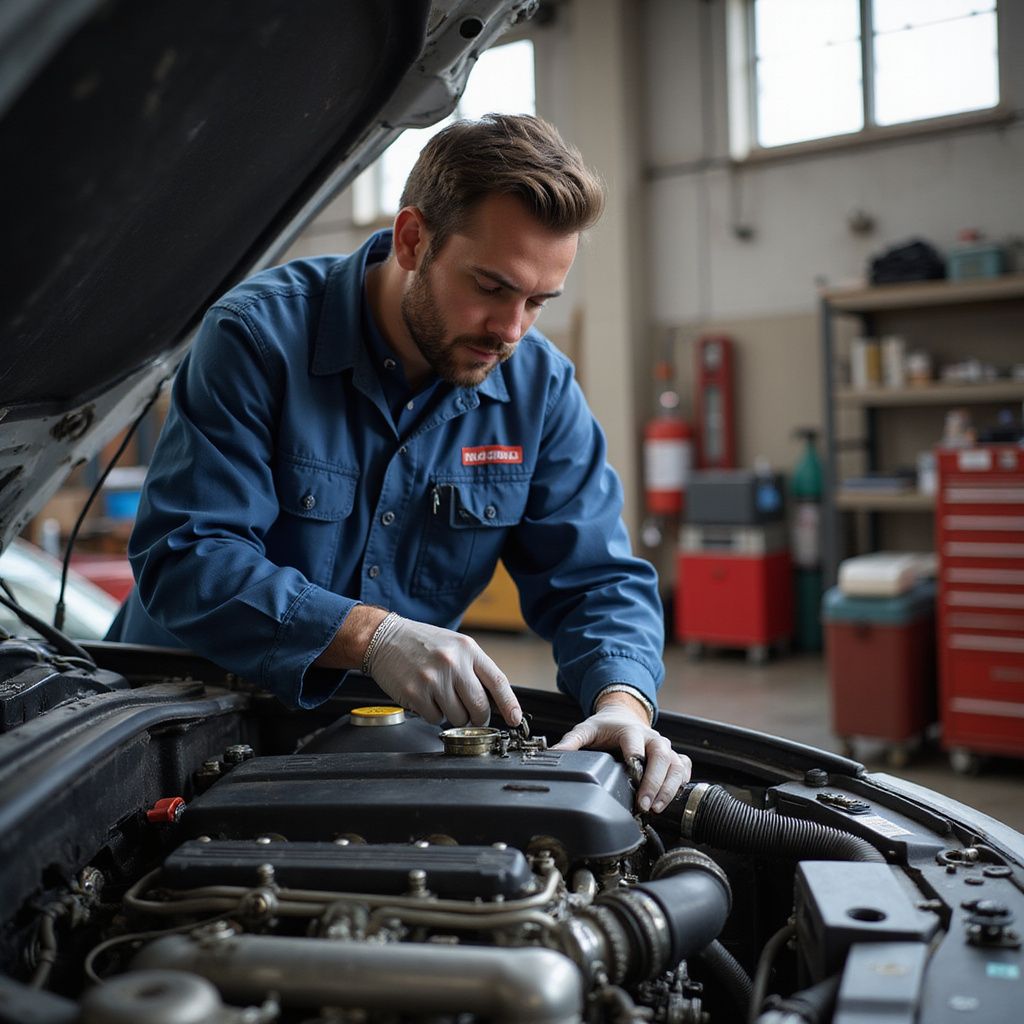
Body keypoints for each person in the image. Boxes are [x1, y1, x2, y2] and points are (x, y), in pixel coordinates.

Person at [107, 113, 691, 813]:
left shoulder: (539, 390)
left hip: (372, 743)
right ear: (413, 239)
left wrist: (624, 703)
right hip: (176, 733)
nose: (510, 331)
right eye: (491, 287)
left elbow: (596, 578)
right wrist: (369, 635)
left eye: (538, 302)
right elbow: (187, 557)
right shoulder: (257, 340)